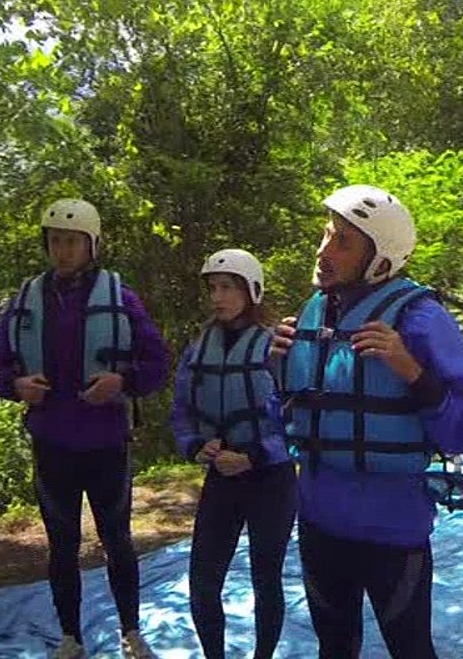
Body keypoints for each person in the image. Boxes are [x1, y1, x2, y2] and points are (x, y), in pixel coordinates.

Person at [268, 184, 463, 658]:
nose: (323, 251)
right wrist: (278, 373)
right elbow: (287, 422)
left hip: (393, 529)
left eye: (342, 241)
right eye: (326, 235)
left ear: (380, 258)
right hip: (319, 522)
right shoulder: (313, 313)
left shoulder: (421, 319)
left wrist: (413, 372)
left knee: (410, 649)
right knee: (335, 648)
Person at [0, 198, 172, 659]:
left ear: (92, 245)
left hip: (106, 441)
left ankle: (131, 631)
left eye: (72, 242)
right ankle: (71, 636)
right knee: (62, 544)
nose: (63, 250)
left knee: (117, 539)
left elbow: (157, 362)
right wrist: (16, 384)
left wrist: (121, 382)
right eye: (55, 241)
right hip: (53, 442)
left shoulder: (120, 298)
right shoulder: (27, 299)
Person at [169, 249, 296, 659]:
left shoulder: (275, 347)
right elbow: (183, 412)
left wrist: (254, 456)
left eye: (228, 288)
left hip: (270, 478)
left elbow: (297, 417)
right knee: (203, 581)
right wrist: (195, 445)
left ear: (251, 291)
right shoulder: (197, 350)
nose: (218, 296)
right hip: (222, 476)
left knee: (266, 577)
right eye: (213, 288)